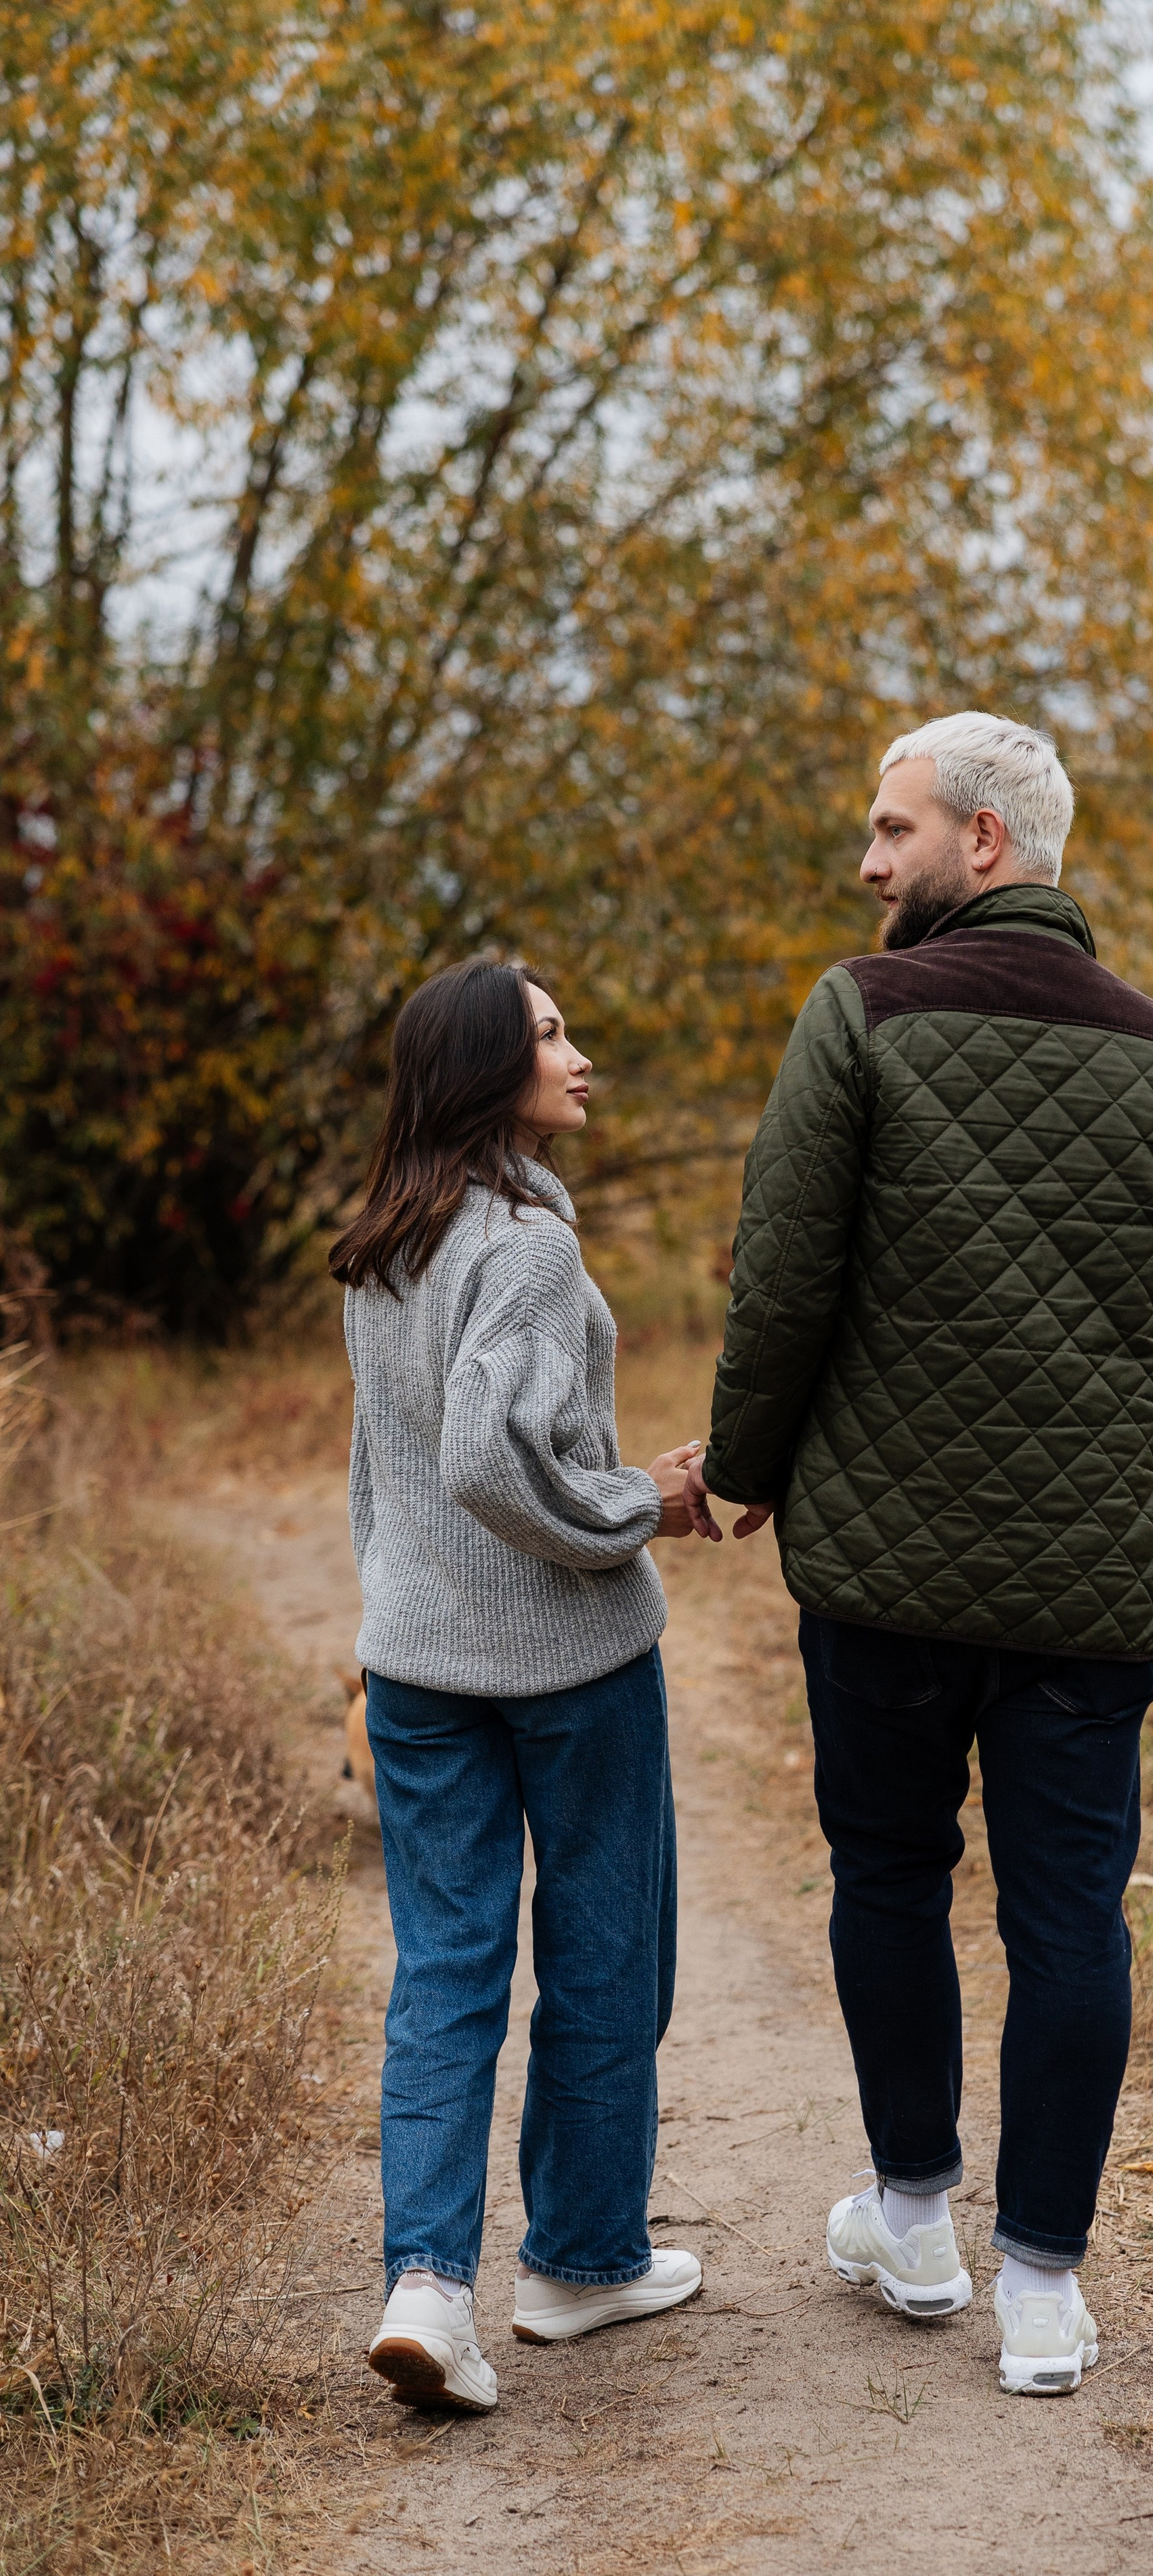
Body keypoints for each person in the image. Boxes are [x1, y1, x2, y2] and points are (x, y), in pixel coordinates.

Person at [686, 713, 1153, 2397]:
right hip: (1093, 1591)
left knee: (890, 1878)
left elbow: (781, 1278)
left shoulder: (857, 1014)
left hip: (881, 1574)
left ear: (984, 842)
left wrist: (741, 1469)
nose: (868, 864)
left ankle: (915, 2216)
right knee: (1072, 1919)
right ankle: (1043, 2292)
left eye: (891, 830)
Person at [330, 958, 705, 2415]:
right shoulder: (525, 1248)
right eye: (551, 1033)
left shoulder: (385, 1240)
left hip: (416, 1666)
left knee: (444, 1974)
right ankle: (580, 2263)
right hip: (569, 1665)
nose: (579, 1052)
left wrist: (393, 1599)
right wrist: (634, 1508)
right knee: (608, 1954)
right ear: (492, 1072)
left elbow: (391, 1466)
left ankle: (427, 2285)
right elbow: (490, 1457)